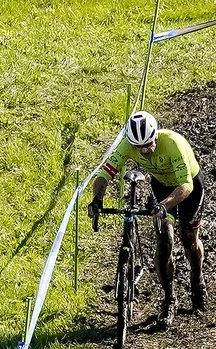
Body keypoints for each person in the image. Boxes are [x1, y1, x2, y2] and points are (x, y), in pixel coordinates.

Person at [89, 111, 208, 324]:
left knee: (188, 239)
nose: (144, 151)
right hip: (161, 186)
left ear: (155, 135)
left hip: (189, 187)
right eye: (138, 147)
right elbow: (104, 174)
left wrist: (164, 206)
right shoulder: (127, 145)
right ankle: (169, 299)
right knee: (164, 242)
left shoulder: (172, 143)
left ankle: (197, 281)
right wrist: (97, 199)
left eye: (149, 144)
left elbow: (186, 185)